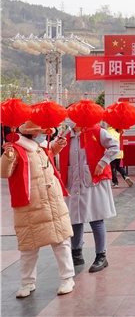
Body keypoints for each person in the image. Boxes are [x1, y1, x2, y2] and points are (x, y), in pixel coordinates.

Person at [1, 121, 75, 297]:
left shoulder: (41, 147)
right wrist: (7, 156)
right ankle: (27, 282)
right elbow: (4, 173)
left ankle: (67, 278)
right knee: (29, 248)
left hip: (53, 202)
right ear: (33, 133)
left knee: (61, 242)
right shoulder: (16, 149)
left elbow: (49, 156)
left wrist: (57, 146)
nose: (45, 135)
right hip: (29, 206)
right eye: (42, 132)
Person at [60, 118, 120, 273]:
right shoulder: (66, 135)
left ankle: (101, 255)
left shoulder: (97, 131)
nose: (68, 120)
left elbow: (115, 146)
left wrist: (102, 163)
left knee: (96, 218)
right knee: (75, 219)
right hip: (73, 181)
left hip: (93, 180)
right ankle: (76, 253)